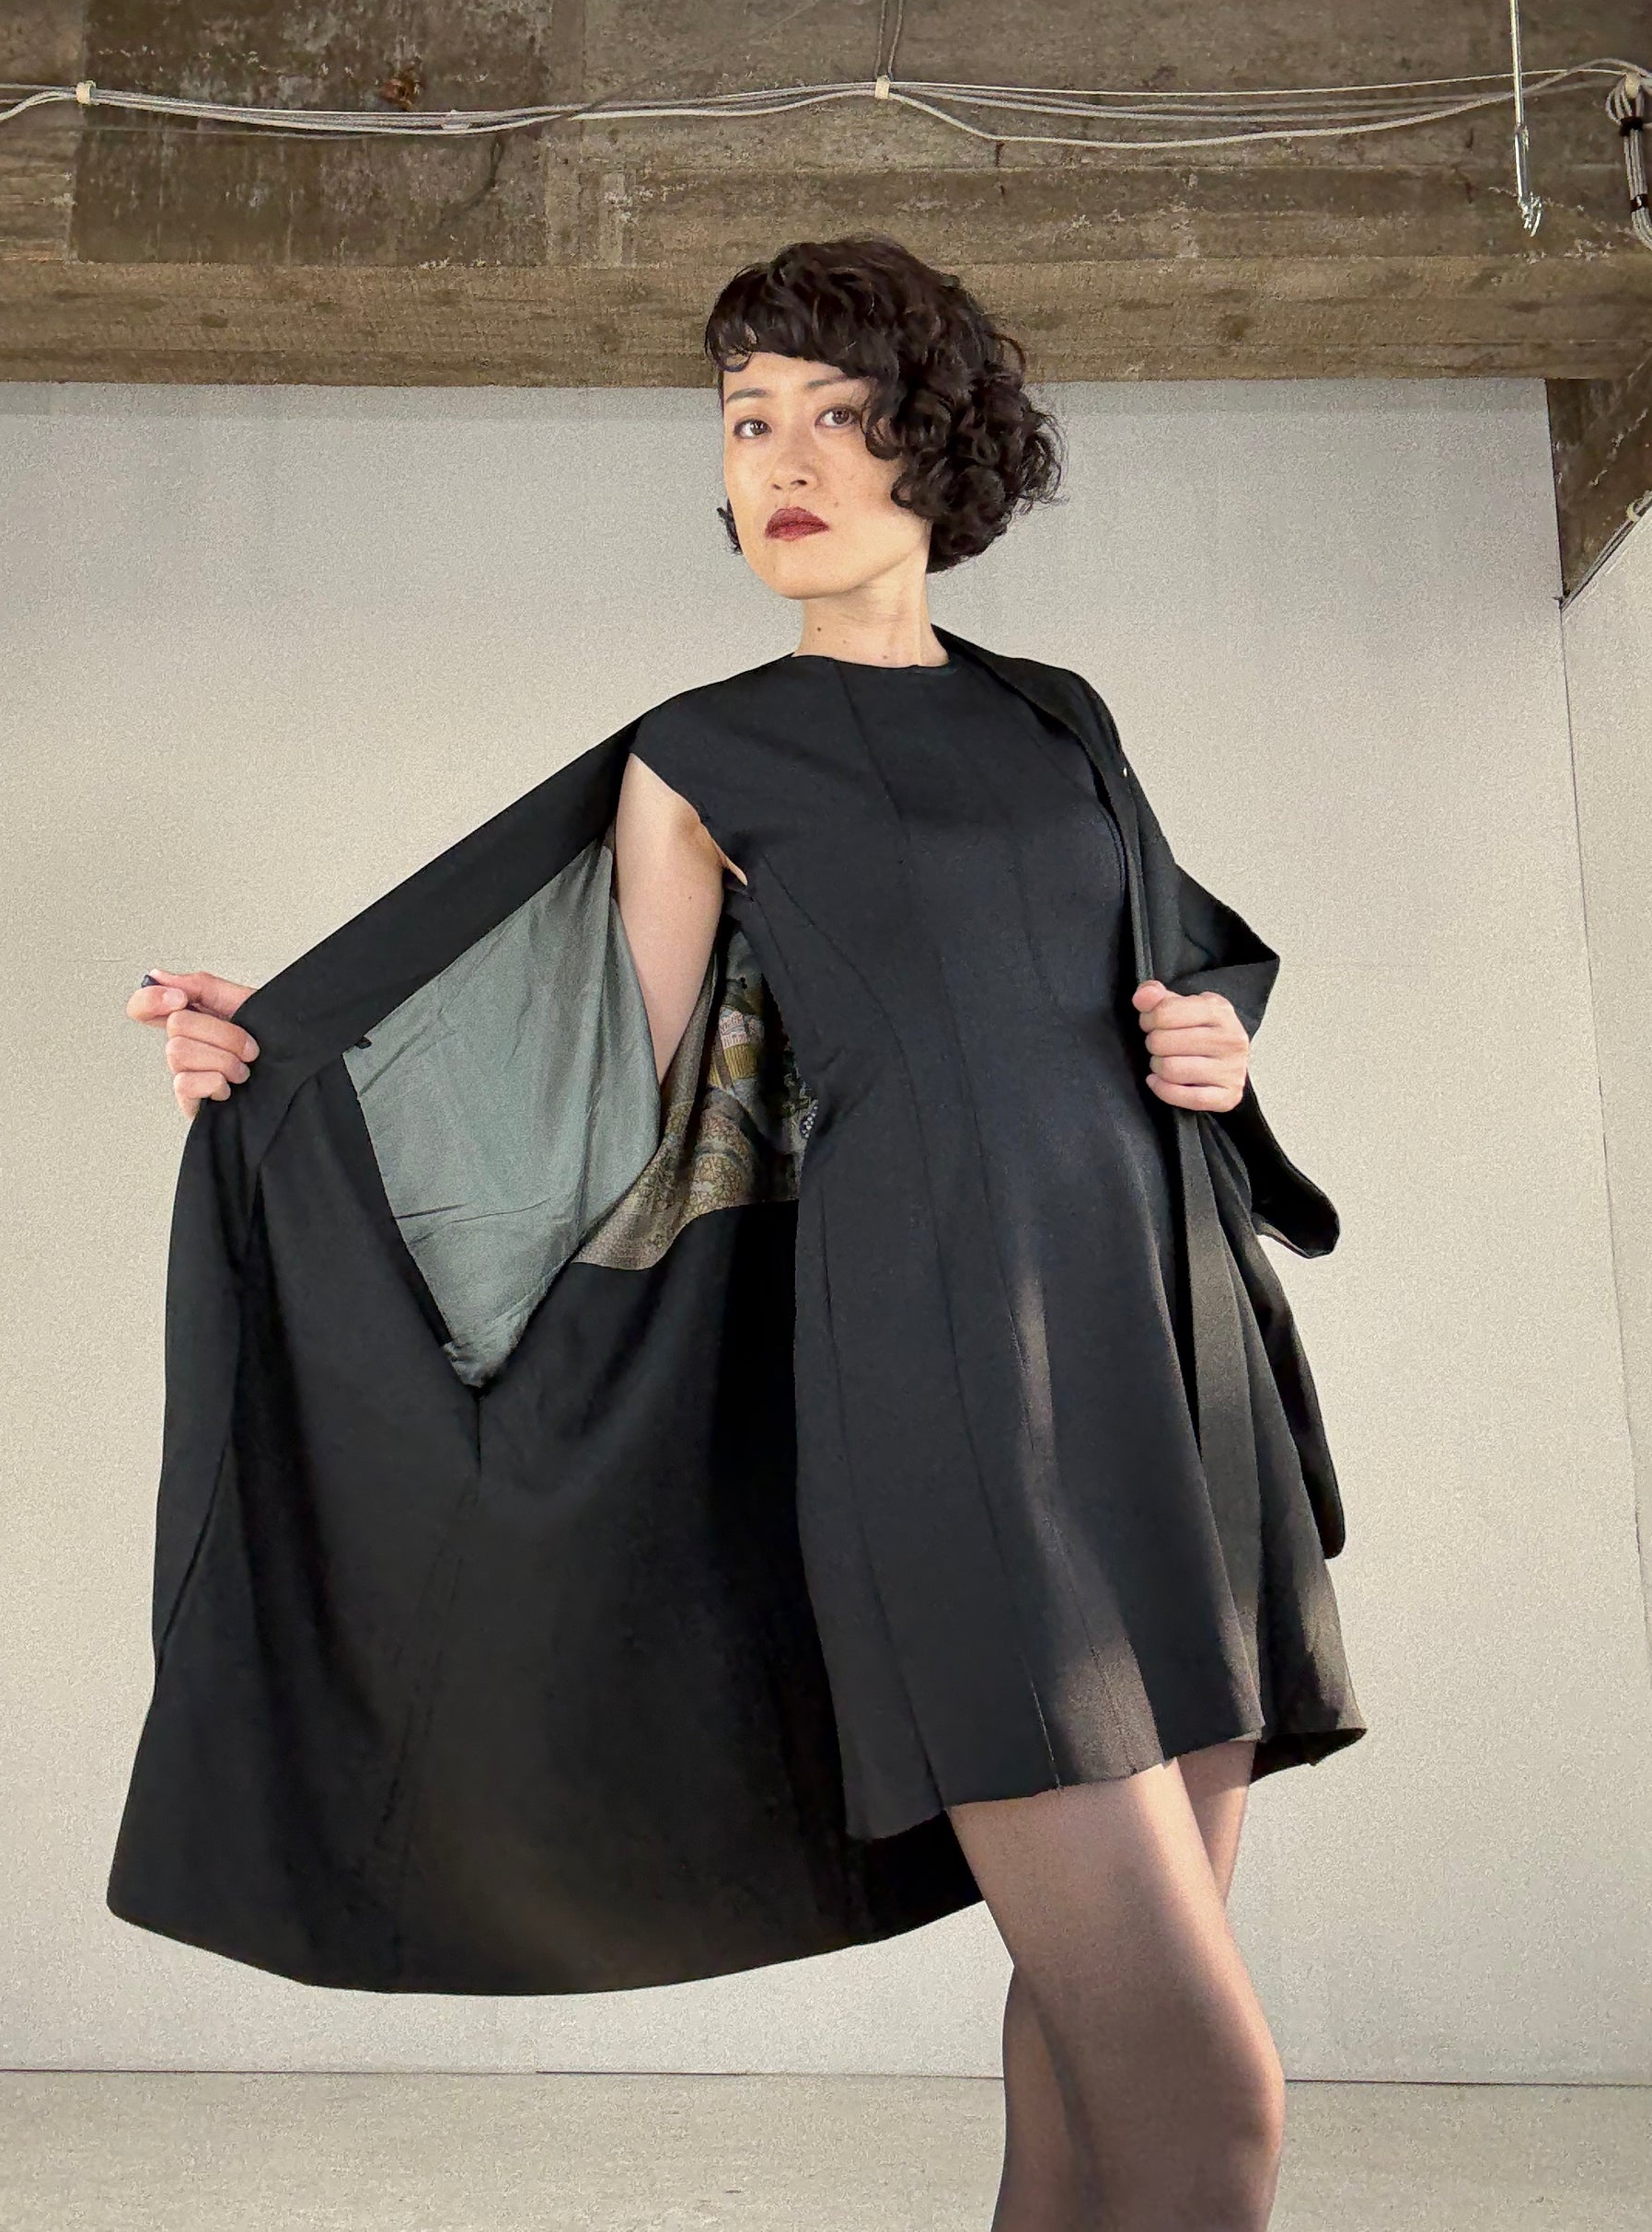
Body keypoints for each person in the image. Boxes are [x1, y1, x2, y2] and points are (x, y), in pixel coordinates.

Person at [124, 234, 1363, 2232]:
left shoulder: (1057, 715)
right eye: (746, 419)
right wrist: (277, 1054)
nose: (782, 460)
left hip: (1166, 1371)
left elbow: (1175, 962)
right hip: (952, 1396)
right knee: (1204, 2090)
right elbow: (584, 1084)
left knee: (1086, 2034)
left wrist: (1214, 1035)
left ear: (935, 445)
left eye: (837, 414)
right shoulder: (699, 756)